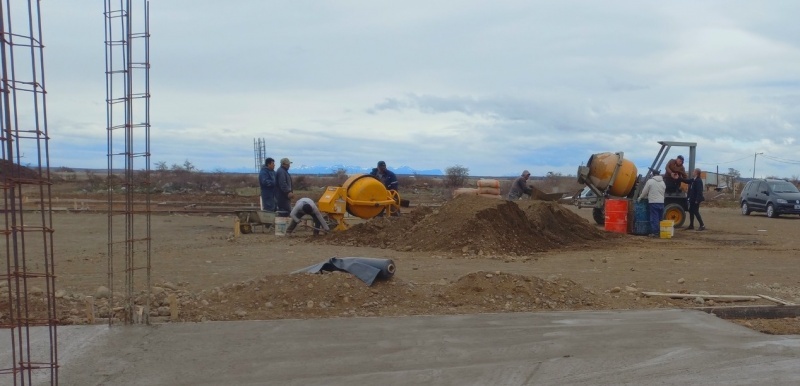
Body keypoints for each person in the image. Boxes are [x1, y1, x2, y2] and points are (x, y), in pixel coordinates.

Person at [638, 169, 666, 238]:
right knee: (660, 218)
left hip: (653, 202)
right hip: (661, 202)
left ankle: (655, 233)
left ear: (653, 174)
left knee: (654, 218)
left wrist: (640, 197)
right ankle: (661, 231)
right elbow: (663, 191)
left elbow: (645, 191)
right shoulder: (663, 182)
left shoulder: (650, 181)